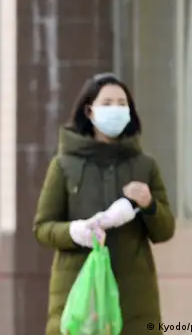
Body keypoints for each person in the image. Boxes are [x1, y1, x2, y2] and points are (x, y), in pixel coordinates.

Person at [32, 73, 175, 335]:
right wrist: (74, 232)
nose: (115, 109)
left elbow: (164, 231)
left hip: (133, 302)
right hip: (79, 300)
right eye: (107, 103)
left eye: (122, 104)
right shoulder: (64, 166)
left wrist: (150, 204)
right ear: (89, 111)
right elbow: (42, 227)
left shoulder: (145, 166)